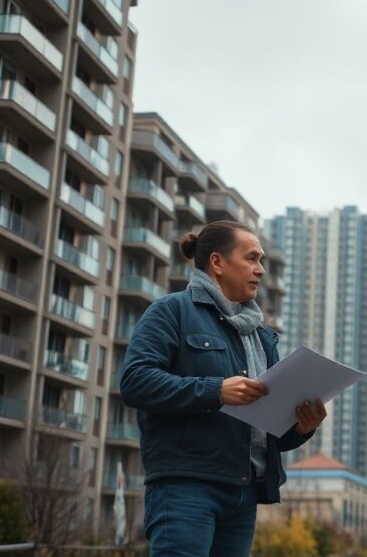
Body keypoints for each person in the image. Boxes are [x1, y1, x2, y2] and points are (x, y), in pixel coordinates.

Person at [120, 221, 327, 556]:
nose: (260, 270)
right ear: (217, 263)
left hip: (244, 492)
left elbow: (271, 430)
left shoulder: (261, 337)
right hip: (185, 488)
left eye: (261, 261)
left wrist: (304, 426)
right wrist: (215, 391)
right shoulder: (171, 311)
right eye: (252, 259)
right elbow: (134, 382)